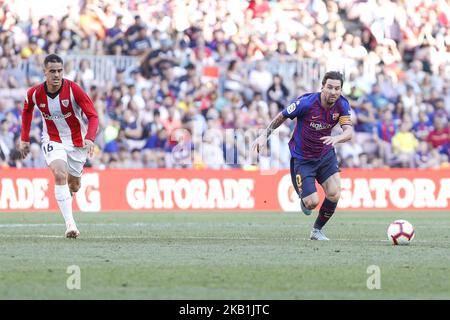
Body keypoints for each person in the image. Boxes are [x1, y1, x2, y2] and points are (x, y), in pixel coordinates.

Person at [253, 71, 353, 240]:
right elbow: (282, 116)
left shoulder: (342, 105)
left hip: (325, 154)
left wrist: (337, 138)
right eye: (329, 87)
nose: (333, 92)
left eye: (337, 88)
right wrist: (264, 135)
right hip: (303, 158)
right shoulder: (306, 103)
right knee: (311, 203)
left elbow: (349, 132)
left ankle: (317, 231)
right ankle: (304, 197)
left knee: (335, 193)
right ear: (322, 87)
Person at [19, 54, 99, 238]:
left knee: (75, 185)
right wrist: (24, 138)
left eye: (60, 71)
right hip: (53, 139)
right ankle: (70, 224)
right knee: (59, 173)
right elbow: (26, 111)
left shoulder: (74, 90)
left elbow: (93, 115)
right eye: (52, 71)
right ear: (44, 72)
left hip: (77, 143)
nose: (56, 75)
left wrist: (90, 138)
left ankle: (68, 192)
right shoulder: (34, 93)